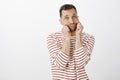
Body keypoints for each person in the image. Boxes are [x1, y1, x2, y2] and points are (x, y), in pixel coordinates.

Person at [47, 4, 95, 80]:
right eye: (66, 18)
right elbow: (60, 64)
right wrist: (67, 38)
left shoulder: (89, 38)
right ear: (61, 21)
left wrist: (78, 36)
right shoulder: (53, 37)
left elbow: (81, 63)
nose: (71, 21)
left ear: (78, 18)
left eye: (74, 16)